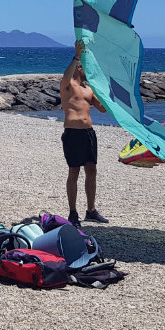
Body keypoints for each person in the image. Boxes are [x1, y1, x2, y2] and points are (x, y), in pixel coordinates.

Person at [60, 40, 109, 226]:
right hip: (72, 133)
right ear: (78, 67)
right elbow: (67, 76)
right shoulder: (68, 85)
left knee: (92, 171)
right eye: (83, 67)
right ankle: (73, 213)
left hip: (89, 133)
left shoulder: (90, 89)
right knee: (74, 172)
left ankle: (91, 210)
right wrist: (76, 56)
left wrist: (108, 94)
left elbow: (103, 109)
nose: (86, 69)